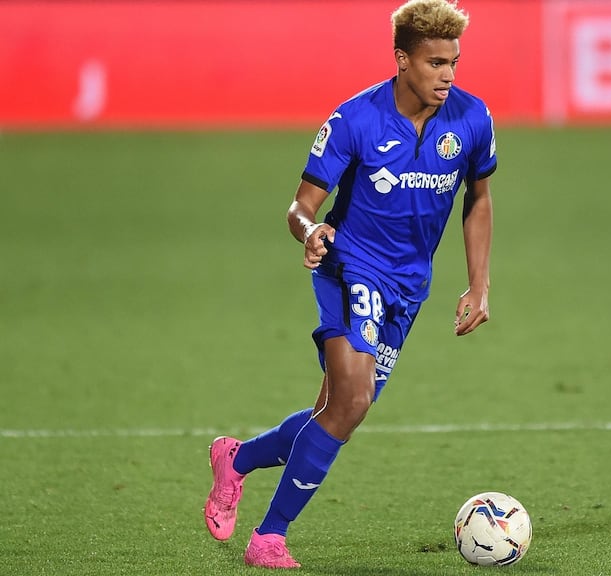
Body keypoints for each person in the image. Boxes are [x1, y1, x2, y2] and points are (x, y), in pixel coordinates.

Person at [203, 0, 496, 568]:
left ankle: (234, 460)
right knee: (354, 402)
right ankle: (269, 539)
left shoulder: (472, 118)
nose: (448, 75)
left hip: (409, 286)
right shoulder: (354, 119)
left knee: (335, 411)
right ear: (402, 59)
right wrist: (310, 231)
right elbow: (301, 205)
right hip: (351, 266)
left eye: (454, 62)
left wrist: (478, 284)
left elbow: (478, 199)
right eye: (435, 63)